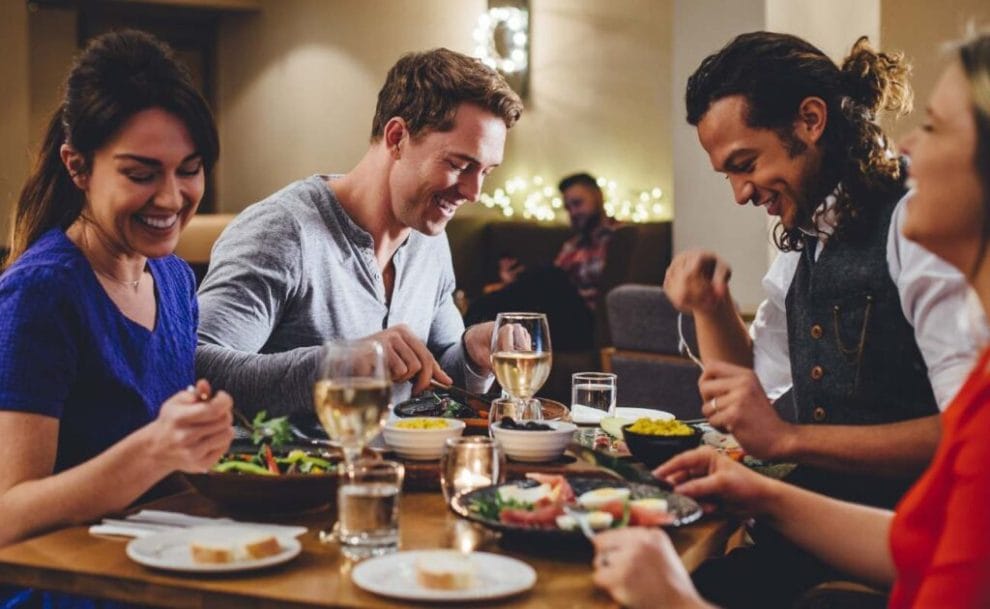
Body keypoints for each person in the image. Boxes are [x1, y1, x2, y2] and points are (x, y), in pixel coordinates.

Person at [591, 31, 990, 609]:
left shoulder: (919, 230)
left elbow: (962, 438)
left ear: (810, 120)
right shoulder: (803, 246)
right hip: (818, 530)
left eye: (745, 164)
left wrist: (790, 441)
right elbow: (753, 398)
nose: (739, 193)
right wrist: (710, 306)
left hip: (888, 541)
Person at [0, 30, 233, 607]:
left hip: (161, 572)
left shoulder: (175, 279)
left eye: (190, 169)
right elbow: (7, 514)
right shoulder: (41, 292)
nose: (172, 197)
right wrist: (158, 448)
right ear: (78, 167)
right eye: (141, 173)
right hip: (68, 590)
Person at [195, 49, 523, 416]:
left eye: (486, 172)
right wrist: (343, 365)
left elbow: (442, 376)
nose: (474, 193)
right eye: (460, 165)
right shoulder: (284, 231)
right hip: (293, 470)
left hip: (396, 470)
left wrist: (474, 352)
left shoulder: (429, 235)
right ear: (397, 137)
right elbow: (196, 369)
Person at [465, 172, 618, 350]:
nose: (573, 213)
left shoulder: (618, 238)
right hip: (560, 318)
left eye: (577, 204)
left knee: (550, 276)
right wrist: (514, 283)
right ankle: (476, 323)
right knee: (539, 283)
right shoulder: (572, 244)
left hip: (590, 324)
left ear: (598, 198)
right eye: (568, 208)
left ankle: (474, 313)